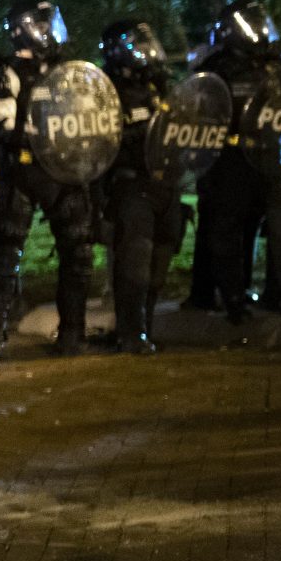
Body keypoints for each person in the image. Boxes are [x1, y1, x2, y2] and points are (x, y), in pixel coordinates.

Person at [0, 0, 98, 361]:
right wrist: (36, 136)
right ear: (24, 29)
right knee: (5, 259)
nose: (50, 31)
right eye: (42, 25)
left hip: (64, 173)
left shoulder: (70, 71)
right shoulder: (6, 72)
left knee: (79, 253)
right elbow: (1, 127)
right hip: (22, 173)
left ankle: (72, 334)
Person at [194, 0, 281, 319]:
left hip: (273, 157)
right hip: (232, 160)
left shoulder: (277, 68)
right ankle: (234, 297)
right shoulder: (215, 70)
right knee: (229, 230)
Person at [99, 20, 186, 354]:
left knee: (160, 261)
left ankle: (145, 327)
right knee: (135, 261)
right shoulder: (106, 90)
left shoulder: (160, 85)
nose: (147, 52)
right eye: (138, 45)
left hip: (166, 183)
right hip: (132, 184)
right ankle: (130, 332)